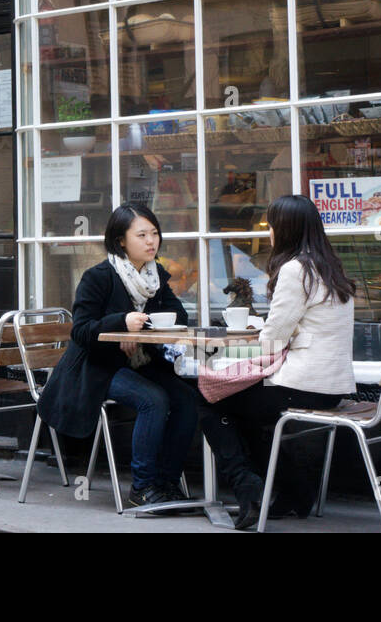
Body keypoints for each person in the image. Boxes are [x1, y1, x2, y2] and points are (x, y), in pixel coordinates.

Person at [197, 193, 356, 529]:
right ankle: (292, 495)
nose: (268, 232)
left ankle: (247, 487)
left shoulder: (295, 269)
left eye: (272, 225)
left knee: (209, 400)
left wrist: (247, 340)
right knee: (247, 411)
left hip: (303, 384)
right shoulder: (330, 267)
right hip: (332, 385)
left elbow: (272, 342)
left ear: (285, 230)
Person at [37, 203, 198, 507]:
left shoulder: (155, 278)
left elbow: (179, 315)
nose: (151, 241)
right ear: (121, 240)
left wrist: (138, 330)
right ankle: (143, 487)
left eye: (154, 233)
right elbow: (81, 331)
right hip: (95, 367)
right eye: (142, 235)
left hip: (137, 363)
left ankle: (167, 483)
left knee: (187, 399)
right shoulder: (98, 277)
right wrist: (121, 323)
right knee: (154, 400)